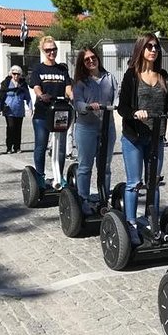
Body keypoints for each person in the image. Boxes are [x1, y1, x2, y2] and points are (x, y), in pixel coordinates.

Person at [117, 33, 168, 244]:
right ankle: (130, 224)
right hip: (134, 137)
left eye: (156, 47)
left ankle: (151, 221)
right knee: (135, 183)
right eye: (149, 46)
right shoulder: (131, 75)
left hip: (156, 137)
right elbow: (122, 108)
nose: (153, 50)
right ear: (141, 49)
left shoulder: (163, 75)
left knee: (153, 182)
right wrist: (135, 112)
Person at [72, 47, 120, 215]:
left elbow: (117, 95)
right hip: (87, 128)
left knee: (105, 166)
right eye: (87, 59)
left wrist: (119, 105)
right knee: (85, 166)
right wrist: (86, 107)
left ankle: (103, 198)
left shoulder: (110, 78)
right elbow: (76, 102)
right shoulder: (81, 82)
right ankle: (83, 199)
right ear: (83, 64)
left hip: (108, 127)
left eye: (93, 57)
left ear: (98, 58)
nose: (91, 61)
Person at [29, 36, 73, 188]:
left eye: (54, 49)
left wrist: (72, 96)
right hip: (42, 113)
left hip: (60, 112)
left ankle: (59, 176)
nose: (51, 52)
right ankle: (40, 176)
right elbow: (35, 86)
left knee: (60, 147)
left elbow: (68, 87)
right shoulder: (38, 69)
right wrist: (42, 95)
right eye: (48, 50)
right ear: (43, 51)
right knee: (41, 145)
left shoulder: (62, 69)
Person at [0, 65, 32, 154]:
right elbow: (1, 95)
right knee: (10, 128)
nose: (16, 76)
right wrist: (0, 107)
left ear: (20, 75)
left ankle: (17, 147)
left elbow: (28, 97)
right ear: (11, 74)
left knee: (18, 129)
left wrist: (30, 107)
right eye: (14, 74)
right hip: (9, 110)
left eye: (18, 74)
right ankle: (9, 147)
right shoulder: (6, 83)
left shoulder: (23, 84)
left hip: (19, 109)